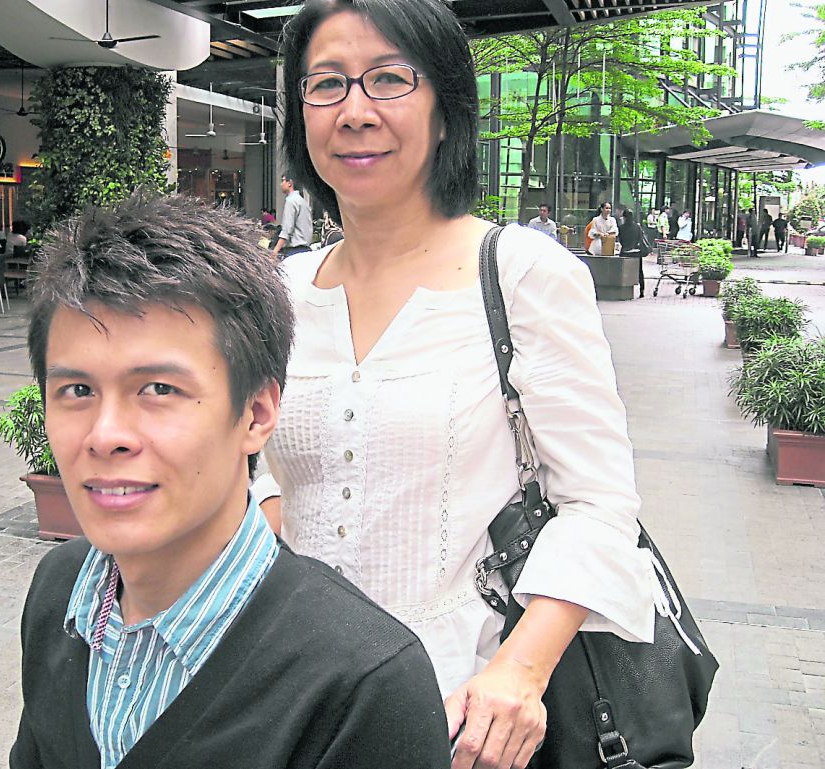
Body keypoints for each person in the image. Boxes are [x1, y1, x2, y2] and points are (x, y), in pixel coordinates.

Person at [258, 2, 655, 768]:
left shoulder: (521, 274)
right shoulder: (280, 291)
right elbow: (250, 464)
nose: (355, 111)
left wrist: (520, 671)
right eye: (327, 83)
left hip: (460, 709)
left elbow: (600, 504)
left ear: (446, 110)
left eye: (388, 79)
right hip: (294, 694)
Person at [10, 193, 451, 769]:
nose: (105, 435)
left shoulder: (362, 685)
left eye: (159, 389)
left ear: (256, 414)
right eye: (77, 391)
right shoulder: (59, 593)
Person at [271, 174, 313, 258]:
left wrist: (275, 250)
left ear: (290, 183)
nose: (281, 184)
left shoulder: (291, 201)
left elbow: (287, 229)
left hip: (295, 250)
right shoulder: (302, 201)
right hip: (306, 249)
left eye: (283, 180)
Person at [618, 209, 648, 299]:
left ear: (624, 217)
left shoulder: (621, 228)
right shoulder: (637, 227)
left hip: (625, 252)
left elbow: (621, 240)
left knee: (623, 270)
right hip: (636, 252)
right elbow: (640, 238)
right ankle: (642, 290)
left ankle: (623, 288)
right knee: (640, 271)